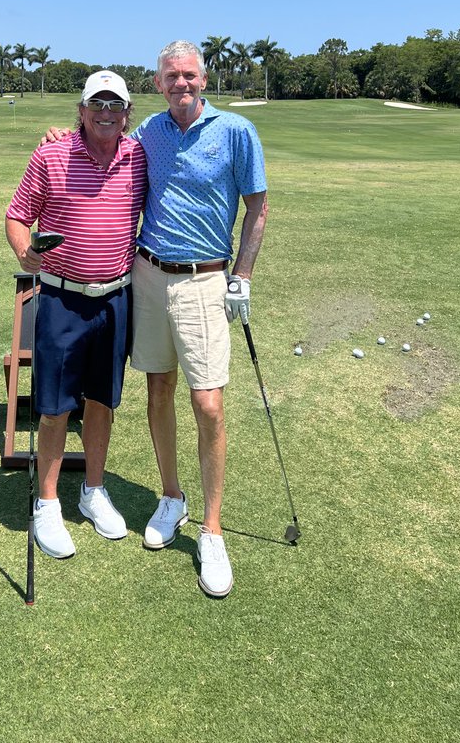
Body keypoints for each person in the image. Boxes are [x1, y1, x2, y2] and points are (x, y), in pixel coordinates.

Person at [130, 40, 267, 598]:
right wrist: (58, 138)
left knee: (207, 402)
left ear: (203, 80)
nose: (180, 84)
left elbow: (256, 205)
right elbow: (104, 148)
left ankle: (211, 530)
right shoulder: (148, 134)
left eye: (188, 75)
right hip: (149, 273)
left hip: (206, 278)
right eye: (170, 77)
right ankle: (172, 498)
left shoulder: (236, 132)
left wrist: (243, 275)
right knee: (157, 388)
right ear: (158, 83)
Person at [5, 71, 147, 559]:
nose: (106, 114)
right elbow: (18, 213)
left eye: (115, 106)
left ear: (127, 113)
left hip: (116, 298)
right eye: (97, 105)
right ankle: (47, 503)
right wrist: (25, 250)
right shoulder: (52, 152)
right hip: (63, 299)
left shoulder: (137, 156)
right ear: (81, 110)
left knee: (102, 401)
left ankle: (92, 492)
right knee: (54, 407)